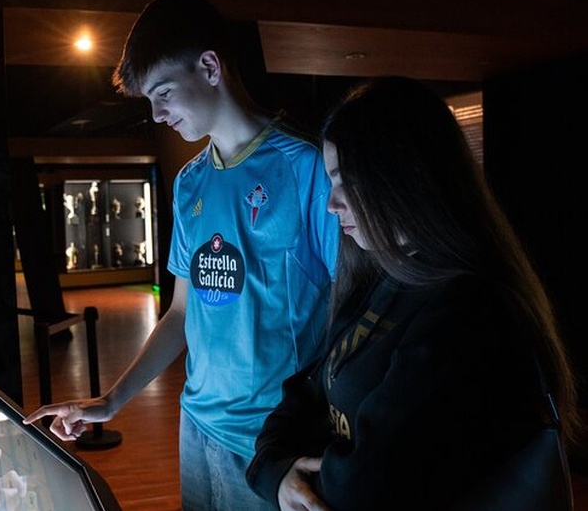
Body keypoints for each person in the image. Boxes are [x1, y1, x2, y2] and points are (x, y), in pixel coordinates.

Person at [23, 0, 339, 510]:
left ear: (210, 66)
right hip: (195, 428)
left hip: (274, 444)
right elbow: (181, 314)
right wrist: (110, 400)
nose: (157, 113)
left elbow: (349, 311)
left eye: (164, 92)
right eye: (150, 100)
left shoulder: (304, 168)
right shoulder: (190, 182)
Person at [245, 76, 581, 511]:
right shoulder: (382, 276)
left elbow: (365, 486)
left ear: (405, 177)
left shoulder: (470, 313)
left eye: (346, 181)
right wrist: (275, 472)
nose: (332, 204)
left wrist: (282, 470)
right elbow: (305, 393)